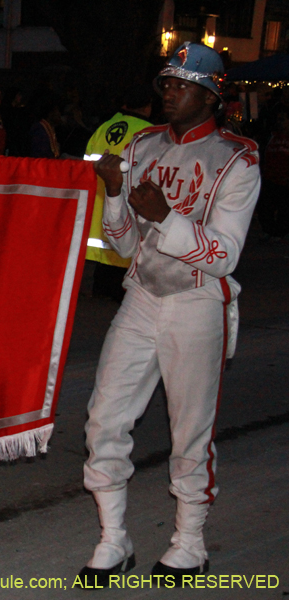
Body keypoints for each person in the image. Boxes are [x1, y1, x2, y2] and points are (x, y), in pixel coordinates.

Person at [80, 42, 261, 586]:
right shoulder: (143, 144)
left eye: (182, 85)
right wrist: (115, 194)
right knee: (104, 418)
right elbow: (120, 243)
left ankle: (189, 542)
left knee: (190, 432)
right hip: (141, 295)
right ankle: (114, 539)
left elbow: (225, 254)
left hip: (197, 301)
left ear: (210, 96)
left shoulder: (238, 157)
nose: (169, 94)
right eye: (166, 83)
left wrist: (167, 215)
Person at [83, 86, 153, 302]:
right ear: (148, 106)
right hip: (126, 213)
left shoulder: (102, 128)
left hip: (98, 211)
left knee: (103, 277)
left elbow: (87, 170)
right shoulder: (150, 133)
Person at [257, 104, 289, 241]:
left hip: (285, 179)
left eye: (282, 119)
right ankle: (270, 231)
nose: (279, 122)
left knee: (285, 208)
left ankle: (280, 232)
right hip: (270, 178)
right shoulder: (271, 136)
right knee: (265, 207)